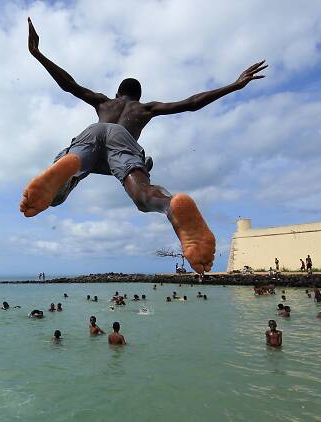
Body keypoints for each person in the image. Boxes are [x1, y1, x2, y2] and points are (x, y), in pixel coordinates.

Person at [20, 19, 267, 275]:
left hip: (94, 135)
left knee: (61, 190)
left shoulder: (104, 102)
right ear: (138, 96)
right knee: (143, 195)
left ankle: (68, 168)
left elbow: (69, 85)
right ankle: (170, 205)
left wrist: (39, 54)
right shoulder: (145, 108)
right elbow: (193, 102)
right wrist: (235, 85)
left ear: (117, 93)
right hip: (123, 139)